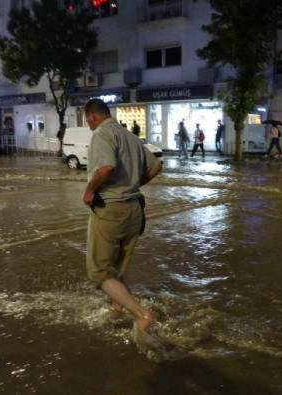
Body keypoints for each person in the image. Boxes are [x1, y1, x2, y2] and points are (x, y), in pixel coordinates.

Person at [81, 98, 163, 344]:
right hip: (134, 209)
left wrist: (89, 191)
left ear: (93, 117)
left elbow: (106, 167)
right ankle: (117, 308)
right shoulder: (129, 136)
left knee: (98, 272)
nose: (89, 125)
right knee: (118, 267)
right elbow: (157, 166)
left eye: (88, 121)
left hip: (111, 209)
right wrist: (135, 185)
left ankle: (141, 314)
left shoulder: (102, 134)